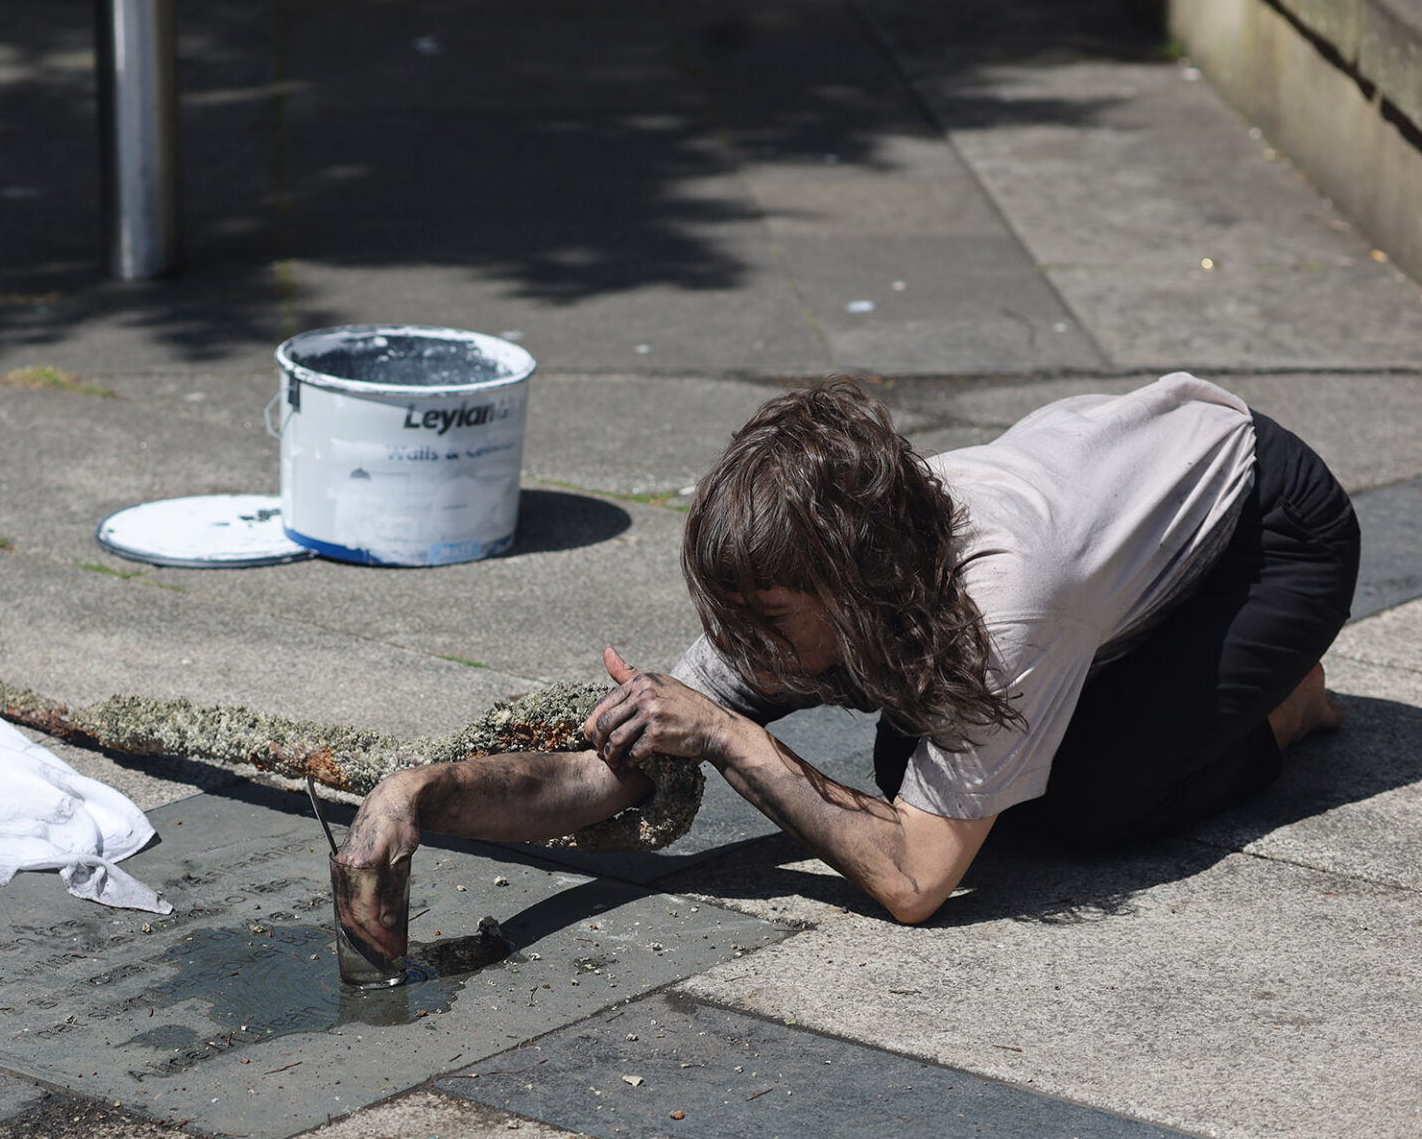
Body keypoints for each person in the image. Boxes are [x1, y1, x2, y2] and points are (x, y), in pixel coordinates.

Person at [337, 373, 1359, 934]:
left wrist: (736, 739)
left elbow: (917, 883)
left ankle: (1285, 701)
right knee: (902, 768)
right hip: (1113, 526)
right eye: (730, 617)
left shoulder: (1001, 602)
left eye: (770, 622)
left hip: (1266, 534)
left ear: (857, 584)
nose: (744, 648)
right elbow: (597, 777)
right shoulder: (796, 577)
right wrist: (420, 794)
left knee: (1085, 803)